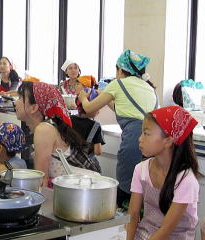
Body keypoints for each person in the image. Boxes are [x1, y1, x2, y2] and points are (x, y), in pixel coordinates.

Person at [78, 49, 158, 207]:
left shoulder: (118, 84)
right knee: (144, 189)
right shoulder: (148, 87)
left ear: (120, 70)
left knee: (126, 191)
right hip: (154, 139)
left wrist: (82, 97)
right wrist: (108, 97)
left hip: (135, 140)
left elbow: (88, 108)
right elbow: (126, 108)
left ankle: (124, 225)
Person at [127, 106, 199, 240]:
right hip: (144, 234)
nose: (140, 139)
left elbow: (165, 231)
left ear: (168, 141)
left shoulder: (186, 180)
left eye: (146, 133)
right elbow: (133, 215)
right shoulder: (140, 169)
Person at [15, 81, 100, 187]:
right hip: (78, 190)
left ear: (34, 108)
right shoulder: (48, 126)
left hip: (85, 192)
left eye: (19, 98)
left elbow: (42, 180)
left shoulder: (44, 130)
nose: (15, 102)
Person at [71, 75, 105, 173]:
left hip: (72, 163)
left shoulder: (71, 120)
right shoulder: (95, 126)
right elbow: (98, 152)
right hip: (87, 166)